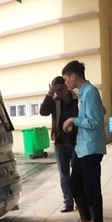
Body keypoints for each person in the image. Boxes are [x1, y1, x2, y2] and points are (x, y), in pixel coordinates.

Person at [61, 60, 106, 222]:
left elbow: (95, 121)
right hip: (83, 147)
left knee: (92, 187)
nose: (66, 83)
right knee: (74, 183)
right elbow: (102, 110)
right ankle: (86, 219)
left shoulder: (90, 93)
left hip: (92, 147)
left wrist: (74, 120)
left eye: (66, 79)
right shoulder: (84, 94)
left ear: (73, 76)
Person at [39, 75, 78, 213]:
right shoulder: (54, 100)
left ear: (66, 87)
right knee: (64, 175)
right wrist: (49, 95)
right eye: (56, 90)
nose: (59, 93)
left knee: (77, 173)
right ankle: (68, 202)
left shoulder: (76, 99)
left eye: (61, 89)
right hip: (60, 142)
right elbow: (43, 112)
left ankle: (79, 200)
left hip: (76, 141)